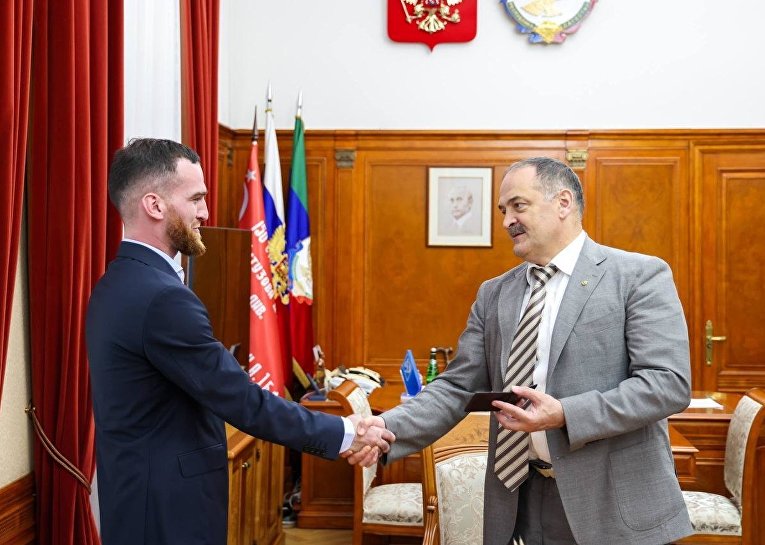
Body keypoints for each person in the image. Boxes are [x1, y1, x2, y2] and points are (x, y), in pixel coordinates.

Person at [350, 157, 693, 545]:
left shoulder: (638, 276)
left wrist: (565, 414)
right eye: (503, 210)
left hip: (611, 506)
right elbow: (457, 387)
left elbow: (667, 384)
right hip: (520, 503)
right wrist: (387, 427)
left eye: (518, 205)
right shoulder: (494, 293)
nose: (506, 221)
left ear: (563, 203)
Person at [86, 138, 390, 545]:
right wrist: (346, 433)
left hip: (136, 502)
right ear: (154, 205)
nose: (205, 213)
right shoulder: (162, 298)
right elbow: (243, 400)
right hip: (166, 513)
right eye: (196, 199)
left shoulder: (116, 282)